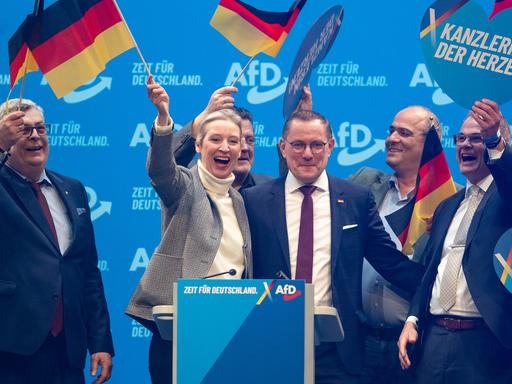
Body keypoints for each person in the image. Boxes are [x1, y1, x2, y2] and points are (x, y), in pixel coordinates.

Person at [242, 110, 424, 383]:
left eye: (317, 145)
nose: (307, 154)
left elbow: (391, 262)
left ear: (331, 146)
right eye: (298, 145)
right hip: (273, 342)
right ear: (282, 147)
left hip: (338, 351)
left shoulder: (356, 198)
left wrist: (436, 285)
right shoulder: (253, 200)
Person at [126, 78, 253, 384]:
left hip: (229, 329)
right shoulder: (183, 185)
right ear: (198, 145)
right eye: (215, 140)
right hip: (180, 331)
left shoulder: (239, 200)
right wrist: (163, 120)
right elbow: (159, 167)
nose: (225, 148)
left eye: (233, 141)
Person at [397, 98, 512, 384]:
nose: (465, 145)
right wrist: (413, 319)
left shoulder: (506, 198)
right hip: (434, 339)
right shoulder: (447, 206)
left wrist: (494, 139)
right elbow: (431, 271)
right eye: (460, 138)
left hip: (486, 343)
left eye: (477, 139)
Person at [0, 99, 114, 384]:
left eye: (40, 128)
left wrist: (99, 341)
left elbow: (87, 270)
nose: (36, 136)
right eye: (24, 130)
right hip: (11, 346)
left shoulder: (72, 189)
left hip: (67, 349)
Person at [349, 106, 444, 384]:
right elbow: (312, 190)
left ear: (430, 144)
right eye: (391, 130)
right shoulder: (364, 182)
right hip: (360, 340)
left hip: (413, 343)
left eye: (404, 132)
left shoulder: (449, 201)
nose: (392, 138)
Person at [172, 86, 271, 190]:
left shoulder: (269, 189)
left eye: (250, 140)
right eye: (234, 140)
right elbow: (162, 166)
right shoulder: (189, 179)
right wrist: (204, 116)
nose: (245, 147)